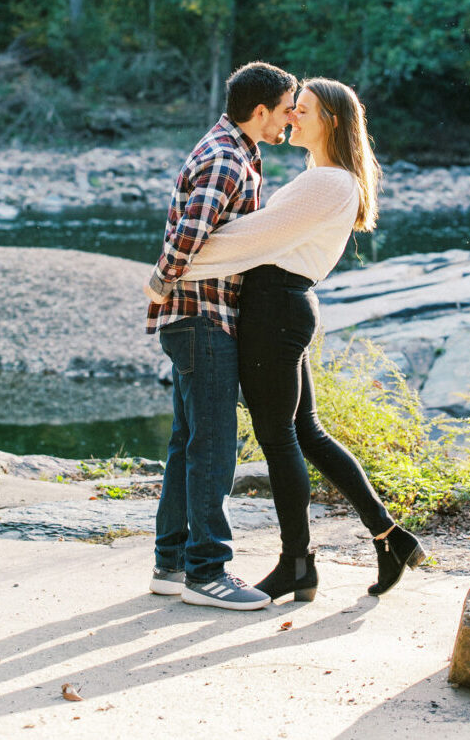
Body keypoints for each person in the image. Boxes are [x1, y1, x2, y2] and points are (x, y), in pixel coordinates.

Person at [178, 78, 426, 602]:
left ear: (331, 120)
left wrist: (181, 264)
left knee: (279, 438)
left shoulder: (329, 183)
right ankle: (389, 536)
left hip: (275, 308)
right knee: (306, 432)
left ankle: (297, 563)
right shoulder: (326, 178)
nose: (291, 117)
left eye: (303, 110)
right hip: (284, 306)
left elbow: (252, 238)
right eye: (291, 109)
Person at [143, 60, 297, 610]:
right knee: (214, 446)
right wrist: (159, 282)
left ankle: (172, 562)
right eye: (284, 110)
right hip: (203, 320)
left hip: (198, 320)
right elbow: (188, 237)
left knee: (189, 443)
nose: (289, 120)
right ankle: (207, 572)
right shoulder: (227, 159)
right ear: (260, 111)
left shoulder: (235, 150)